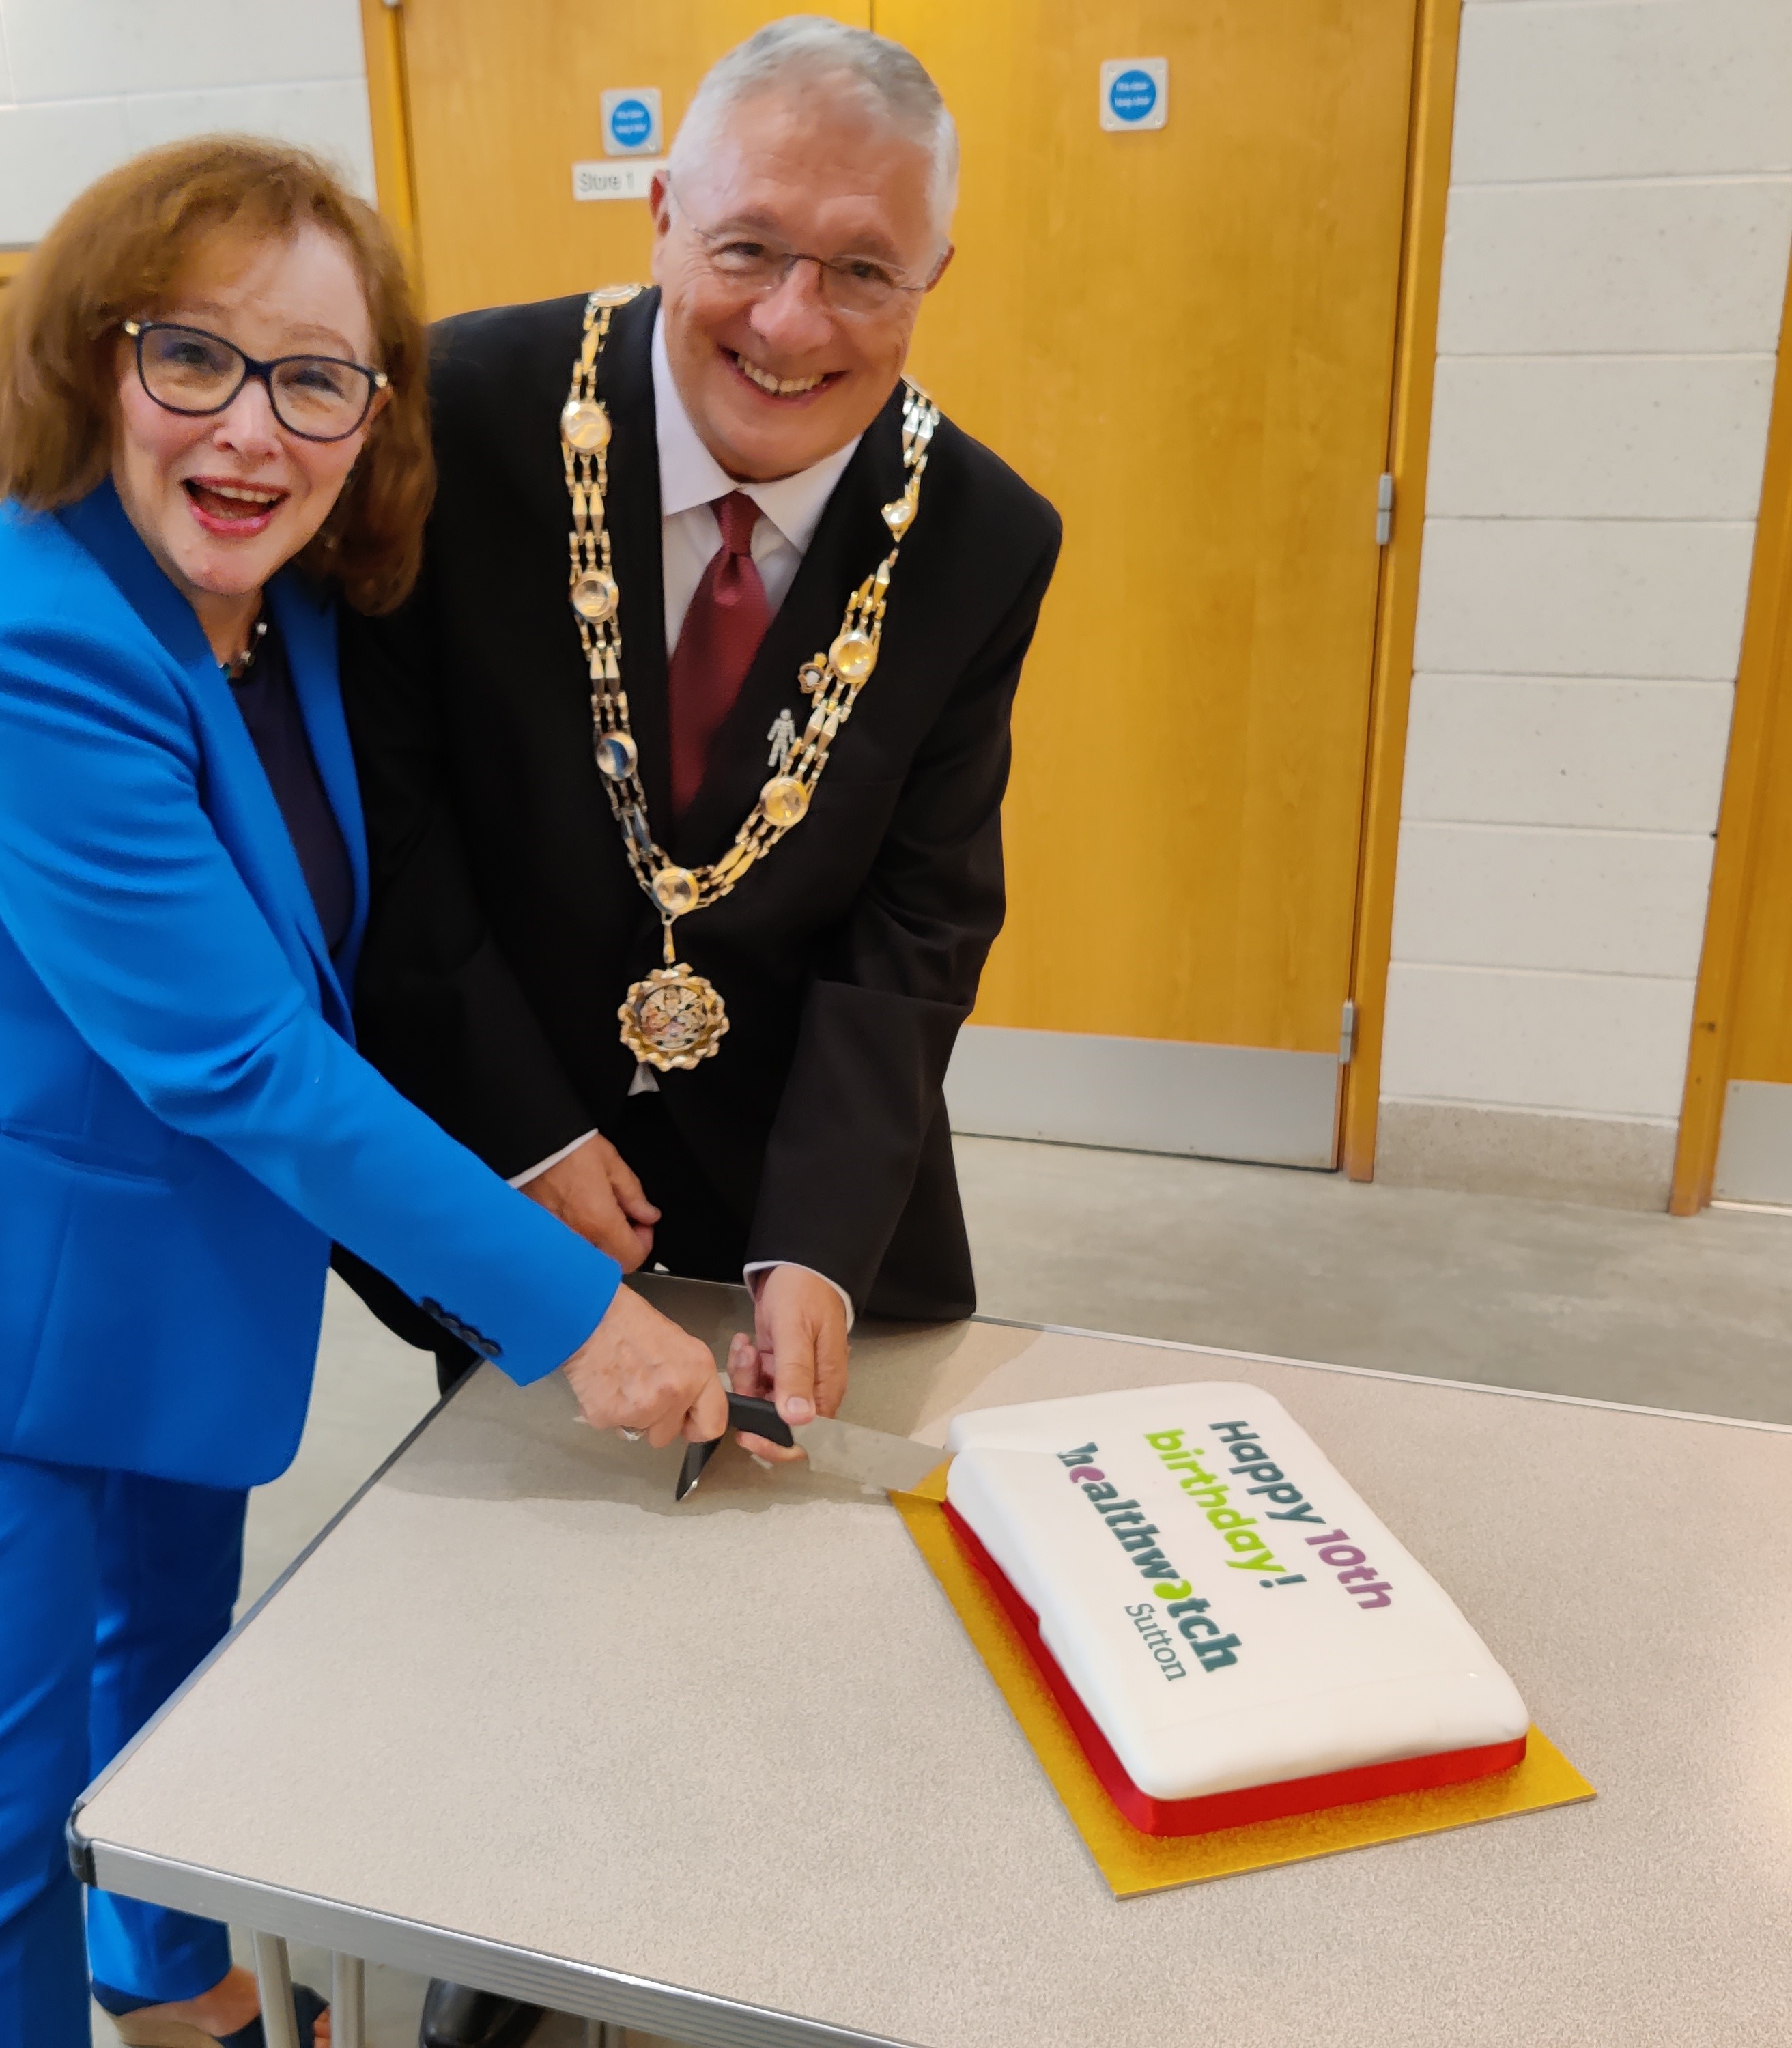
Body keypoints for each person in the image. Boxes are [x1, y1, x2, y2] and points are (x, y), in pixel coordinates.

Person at [0, 139, 724, 2048]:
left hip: (162, 1266)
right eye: (194, 356)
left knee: (168, 1676)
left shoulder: (288, 610)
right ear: (87, 359)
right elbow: (243, 1059)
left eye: (315, 378)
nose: (252, 429)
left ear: (371, 411)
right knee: (5, 1800)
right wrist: (570, 1315)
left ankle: (176, 2002)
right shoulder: (26, 641)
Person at [339, 22, 1060, 2048]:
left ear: (931, 283)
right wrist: (514, 1132)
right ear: (658, 213)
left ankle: (786, 1951)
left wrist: (825, 1232)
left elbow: (922, 920)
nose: (792, 319)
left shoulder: (985, 536)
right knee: (533, 1575)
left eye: (863, 270)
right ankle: (508, 1952)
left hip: (813, 1147)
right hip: (508, 1114)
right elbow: (384, 816)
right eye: (747, 247)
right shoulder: (460, 417)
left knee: (821, 1609)